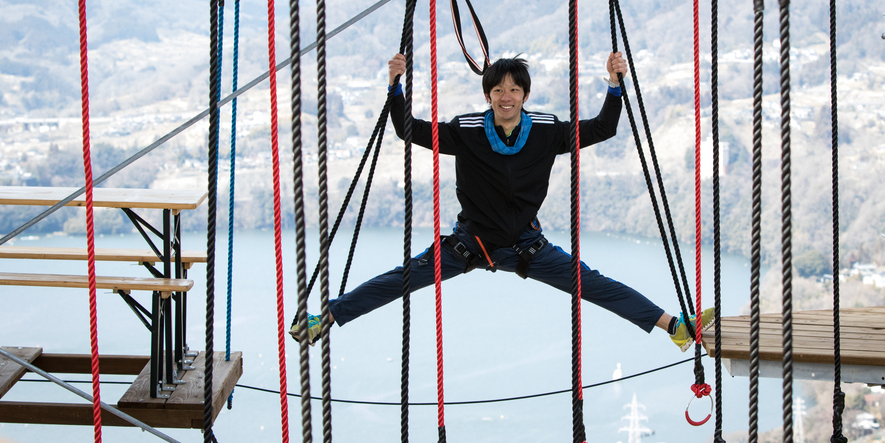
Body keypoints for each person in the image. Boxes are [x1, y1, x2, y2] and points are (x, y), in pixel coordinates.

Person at [291, 52, 712, 350]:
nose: (505, 96)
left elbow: (603, 128)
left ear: (525, 95)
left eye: (513, 89)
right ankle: (324, 318)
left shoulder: (546, 130)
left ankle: (674, 327)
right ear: (488, 95)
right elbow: (408, 130)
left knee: (595, 284)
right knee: (401, 279)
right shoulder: (467, 130)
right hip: (470, 243)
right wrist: (394, 87)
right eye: (497, 90)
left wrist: (615, 84)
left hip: (527, 246)